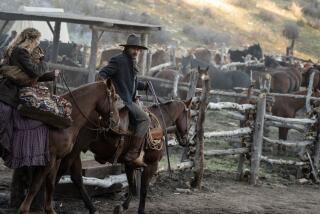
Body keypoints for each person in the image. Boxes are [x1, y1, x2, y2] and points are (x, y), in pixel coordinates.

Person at [0, 28, 57, 168]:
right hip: (7, 93)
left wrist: (50, 75)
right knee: (4, 124)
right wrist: (43, 61)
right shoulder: (21, 52)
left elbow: (28, 75)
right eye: (37, 40)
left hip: (12, 92)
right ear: (31, 40)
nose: (38, 43)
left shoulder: (18, 51)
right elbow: (35, 71)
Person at [98, 34, 150, 168]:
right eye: (134, 48)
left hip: (129, 98)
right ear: (127, 48)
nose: (136, 51)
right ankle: (132, 153)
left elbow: (129, 83)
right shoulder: (119, 60)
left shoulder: (131, 62)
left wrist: (143, 86)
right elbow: (102, 74)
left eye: (138, 49)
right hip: (122, 100)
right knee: (145, 119)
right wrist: (109, 91)